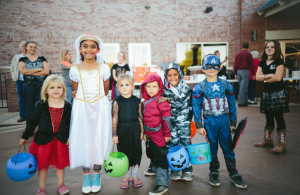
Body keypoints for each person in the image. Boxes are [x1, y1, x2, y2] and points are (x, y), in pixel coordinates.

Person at [193, 55, 247, 189]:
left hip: (223, 120)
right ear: (202, 69)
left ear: (220, 68)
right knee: (212, 148)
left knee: (228, 147)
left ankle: (233, 173)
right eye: (208, 66)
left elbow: (232, 104)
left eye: (215, 66)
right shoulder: (199, 87)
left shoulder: (225, 84)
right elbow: (196, 106)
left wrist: (233, 122)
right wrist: (199, 125)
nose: (211, 69)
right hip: (209, 121)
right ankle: (214, 171)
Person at [69, 32, 113, 194]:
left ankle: (97, 174)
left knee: (98, 138)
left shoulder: (104, 68)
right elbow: (75, 90)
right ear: (80, 49)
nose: (89, 50)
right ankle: (86, 175)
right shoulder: (75, 70)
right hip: (82, 108)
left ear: (98, 50)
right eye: (85, 46)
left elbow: (106, 89)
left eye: (93, 47)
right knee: (84, 138)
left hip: (100, 107)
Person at [19, 75, 72, 195]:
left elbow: (70, 124)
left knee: (60, 164)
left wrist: (70, 136)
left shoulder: (68, 106)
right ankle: (42, 188)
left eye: (59, 87)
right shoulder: (41, 105)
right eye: (52, 87)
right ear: (46, 90)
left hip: (61, 140)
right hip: (43, 140)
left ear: (63, 89)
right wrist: (25, 136)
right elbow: (33, 122)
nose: (56, 90)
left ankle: (61, 185)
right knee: (43, 165)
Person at [254, 40, 289, 154]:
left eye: (272, 47)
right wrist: (269, 75)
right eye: (267, 47)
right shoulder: (262, 62)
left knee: (279, 117)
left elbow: (278, 78)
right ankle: (267, 140)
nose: (269, 49)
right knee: (268, 117)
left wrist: (264, 78)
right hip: (267, 93)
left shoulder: (279, 61)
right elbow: (257, 77)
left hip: (278, 93)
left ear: (277, 49)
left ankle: (281, 144)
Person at [141, 73, 172, 195]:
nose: (151, 89)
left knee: (160, 158)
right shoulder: (145, 102)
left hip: (159, 135)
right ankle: (153, 168)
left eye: (154, 86)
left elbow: (167, 120)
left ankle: (162, 183)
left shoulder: (162, 101)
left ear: (159, 87)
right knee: (151, 153)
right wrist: (144, 132)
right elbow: (144, 119)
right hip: (149, 136)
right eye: (148, 87)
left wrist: (167, 134)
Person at [163, 62, 193, 181]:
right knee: (172, 145)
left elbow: (191, 107)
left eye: (175, 74)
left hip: (185, 124)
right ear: (165, 77)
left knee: (185, 145)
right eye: (169, 75)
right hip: (171, 125)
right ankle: (174, 170)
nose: (172, 77)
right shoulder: (164, 91)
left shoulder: (187, 89)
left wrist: (189, 121)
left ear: (180, 74)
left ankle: (187, 170)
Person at [112, 74, 144, 189]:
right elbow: (114, 118)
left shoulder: (137, 101)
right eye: (121, 85)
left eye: (127, 84)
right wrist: (114, 134)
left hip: (135, 129)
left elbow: (140, 116)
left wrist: (142, 131)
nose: (124, 87)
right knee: (124, 153)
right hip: (122, 130)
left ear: (132, 86)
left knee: (136, 152)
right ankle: (126, 177)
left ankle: (134, 176)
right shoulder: (116, 102)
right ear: (117, 87)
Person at [19, 41, 50, 126]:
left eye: (34, 47)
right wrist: (39, 69)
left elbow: (47, 71)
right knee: (30, 107)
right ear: (26, 47)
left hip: (41, 84)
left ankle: (41, 127)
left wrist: (29, 71)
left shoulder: (42, 58)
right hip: (28, 85)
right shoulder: (23, 59)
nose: (33, 49)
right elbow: (22, 71)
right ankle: (30, 128)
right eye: (31, 47)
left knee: (41, 105)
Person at [234, 42, 255, 107]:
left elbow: (235, 65)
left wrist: (235, 73)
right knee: (243, 88)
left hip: (238, 71)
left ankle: (245, 101)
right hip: (245, 71)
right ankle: (241, 102)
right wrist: (253, 73)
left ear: (241, 46)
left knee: (242, 87)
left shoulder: (238, 55)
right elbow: (251, 65)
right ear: (248, 47)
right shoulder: (249, 54)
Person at [10, 41, 27, 122]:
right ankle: (23, 115)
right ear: (20, 48)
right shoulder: (16, 57)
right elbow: (12, 68)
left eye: (26, 45)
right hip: (20, 81)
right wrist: (14, 77)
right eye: (23, 46)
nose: (24, 47)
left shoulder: (30, 56)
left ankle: (32, 116)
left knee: (33, 98)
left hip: (30, 81)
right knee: (21, 99)